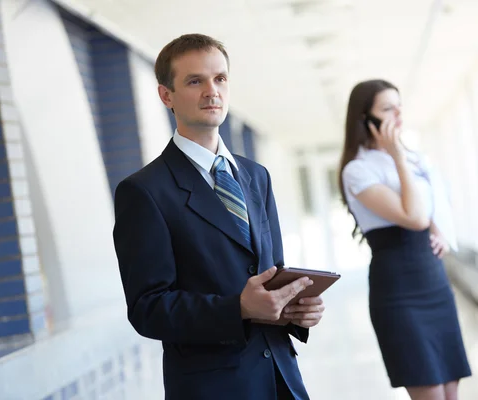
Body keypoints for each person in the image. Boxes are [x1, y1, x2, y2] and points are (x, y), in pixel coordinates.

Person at [112, 33, 325, 400]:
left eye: (220, 78)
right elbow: (147, 308)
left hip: (281, 378)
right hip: (213, 387)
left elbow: (271, 272)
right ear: (167, 96)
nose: (212, 91)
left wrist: (293, 308)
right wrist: (238, 308)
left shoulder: (256, 176)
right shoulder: (145, 191)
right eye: (195, 81)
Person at [338, 79, 471, 400]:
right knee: (431, 392)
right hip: (399, 290)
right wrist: (397, 157)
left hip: (434, 281)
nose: (398, 113)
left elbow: (436, 204)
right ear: (365, 120)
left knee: (451, 391)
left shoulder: (416, 159)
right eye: (387, 108)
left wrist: (441, 232)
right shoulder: (357, 170)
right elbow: (413, 218)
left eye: (399, 105)